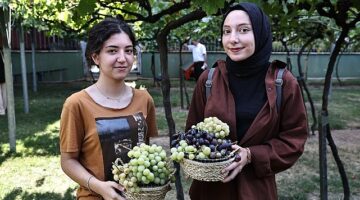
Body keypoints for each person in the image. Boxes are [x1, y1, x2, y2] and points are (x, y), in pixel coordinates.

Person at [185, 3, 308, 200]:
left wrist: (252, 155)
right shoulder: (208, 79)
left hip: (256, 192)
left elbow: (294, 140)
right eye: (227, 31)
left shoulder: (283, 82)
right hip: (210, 191)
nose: (233, 39)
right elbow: (192, 134)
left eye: (244, 30)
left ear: (260, 33)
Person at [59, 17, 158, 200]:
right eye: (112, 51)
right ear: (96, 57)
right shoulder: (77, 104)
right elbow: (67, 161)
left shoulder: (144, 99)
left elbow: (146, 148)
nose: (123, 58)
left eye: (128, 51)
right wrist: (99, 187)